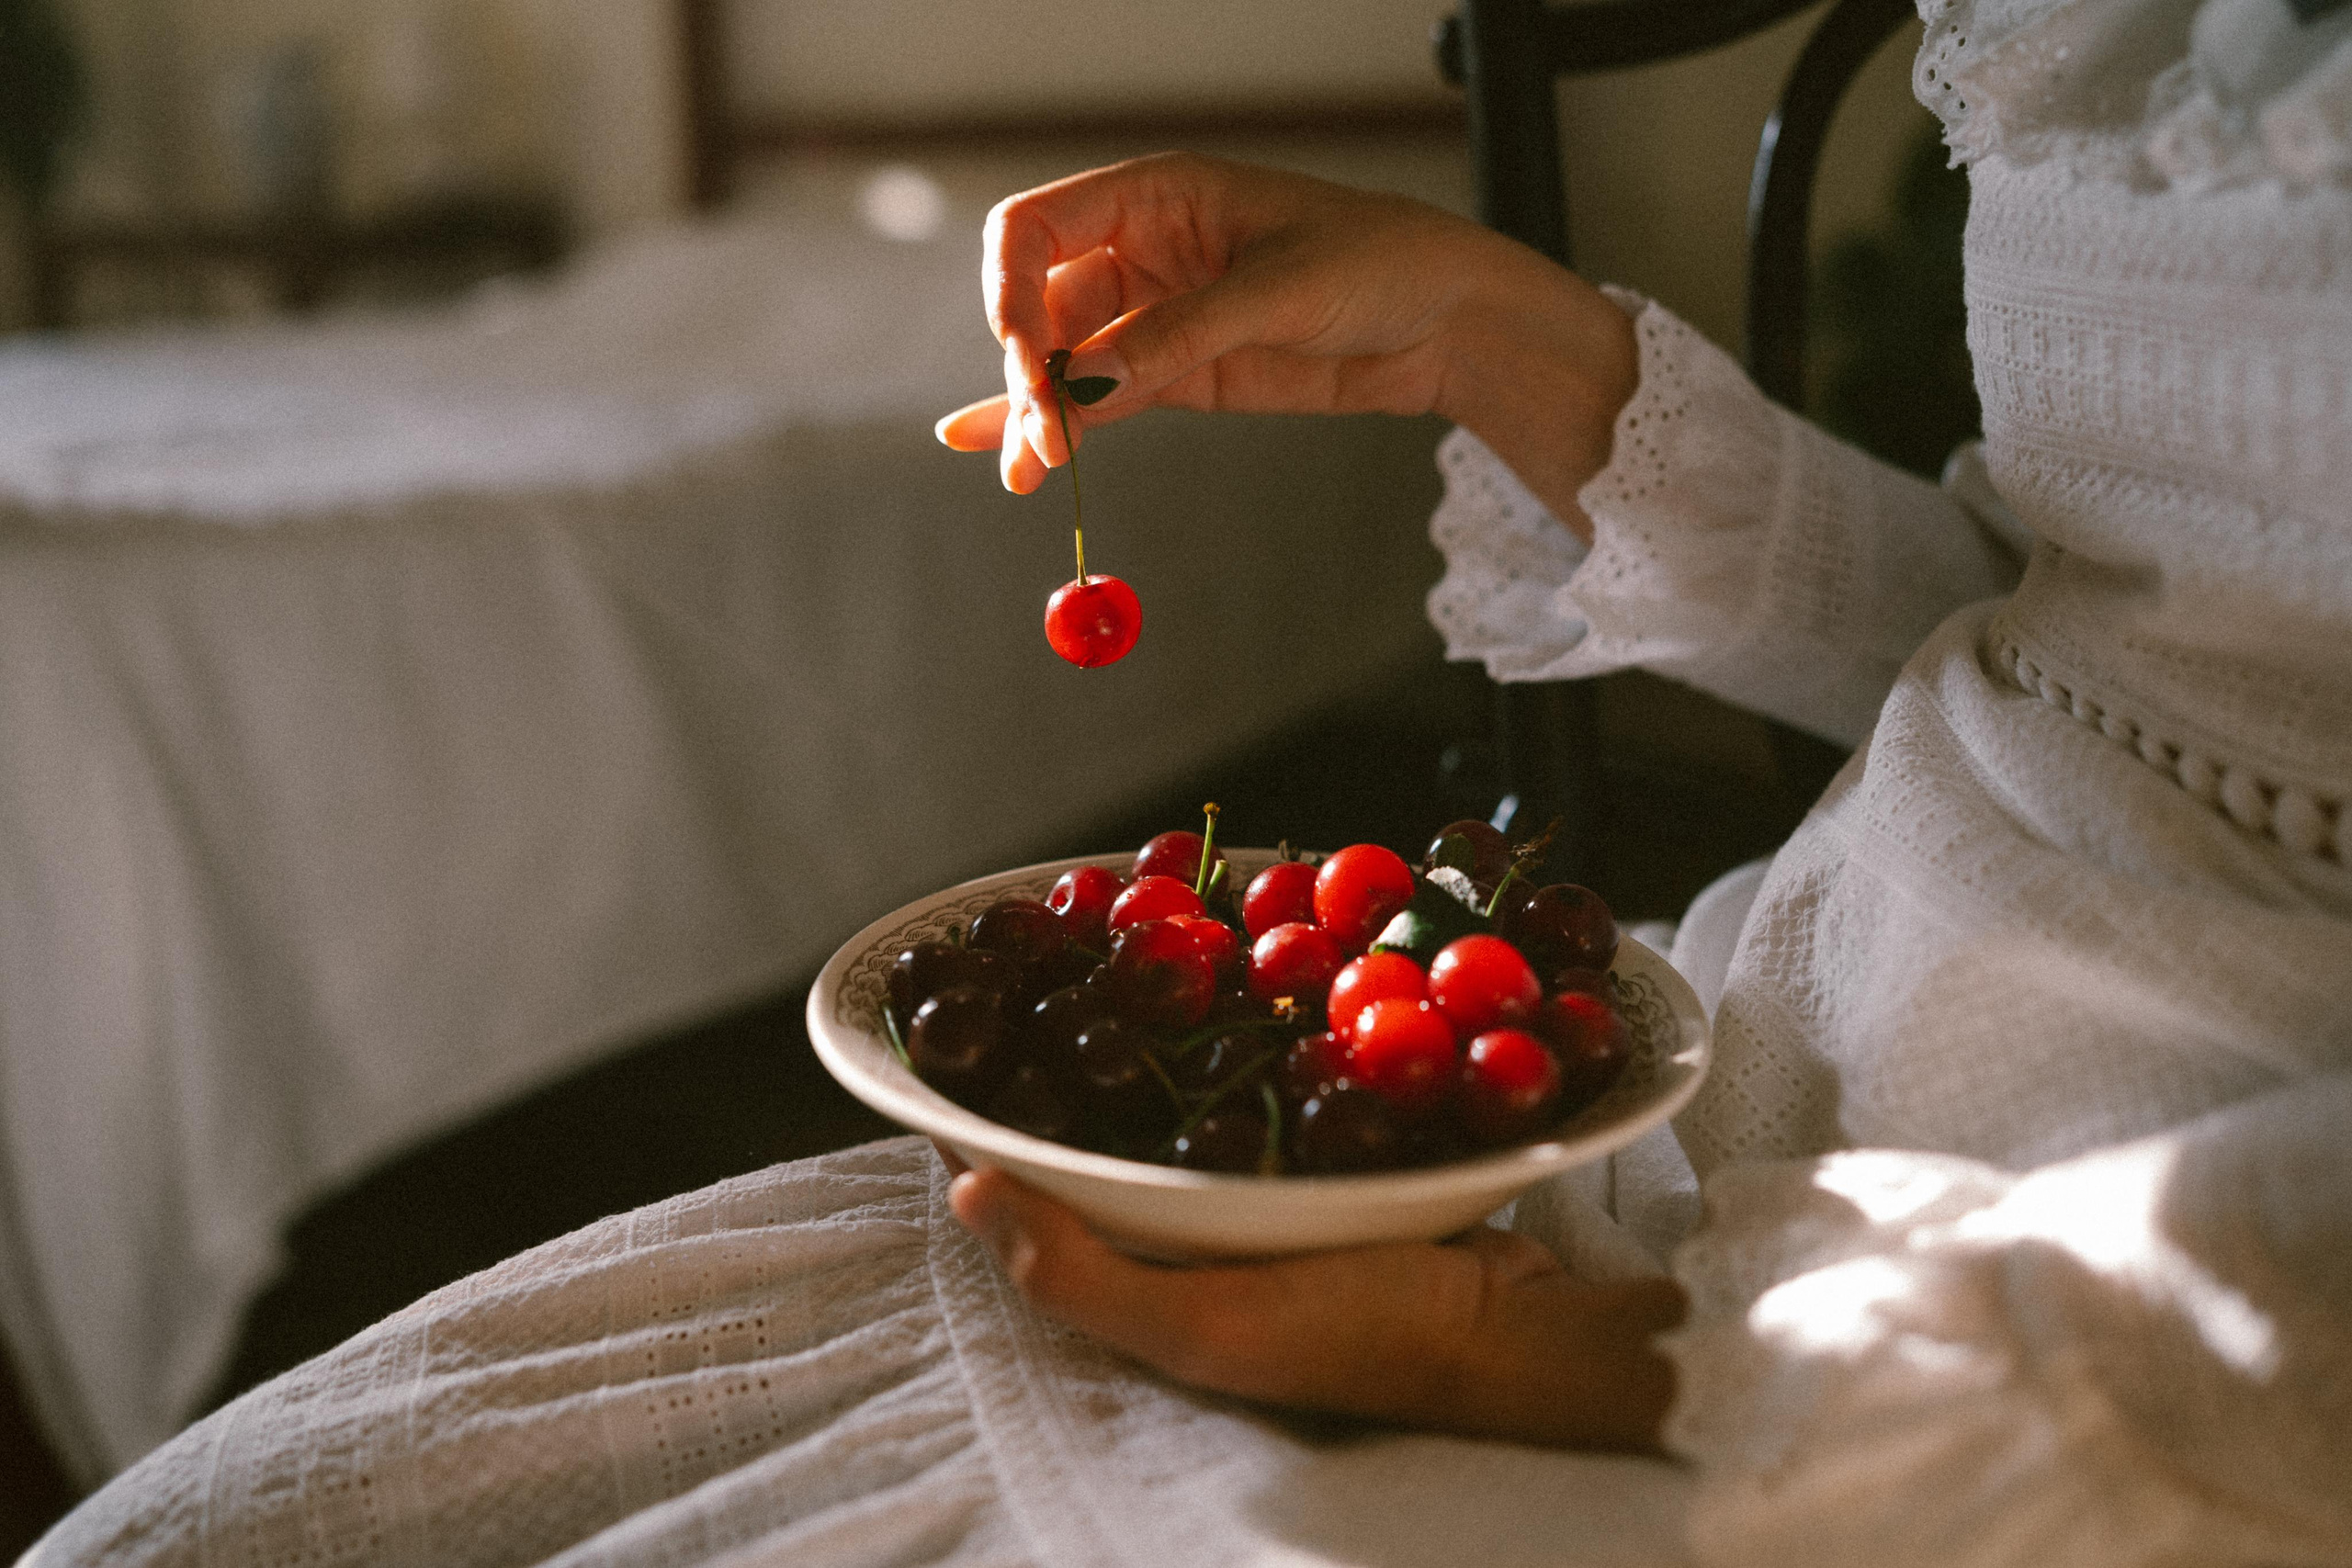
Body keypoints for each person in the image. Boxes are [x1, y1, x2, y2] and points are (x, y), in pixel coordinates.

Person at [27, 2, 2352, 1563]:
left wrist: (1533, 1348)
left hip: (1973, 1335)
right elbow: (2090, 642)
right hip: (1676, 1085)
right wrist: (1497, 339)